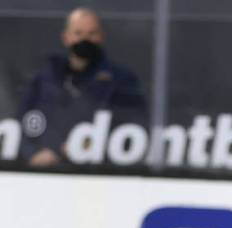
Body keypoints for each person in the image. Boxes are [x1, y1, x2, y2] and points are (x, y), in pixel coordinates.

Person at [17, 7, 145, 168]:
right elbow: (23, 120)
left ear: (101, 37)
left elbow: (133, 127)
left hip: (97, 173)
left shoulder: (121, 80)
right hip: (44, 171)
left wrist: (92, 147)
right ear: (66, 37)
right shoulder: (45, 77)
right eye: (78, 33)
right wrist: (32, 153)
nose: (85, 39)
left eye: (92, 33)